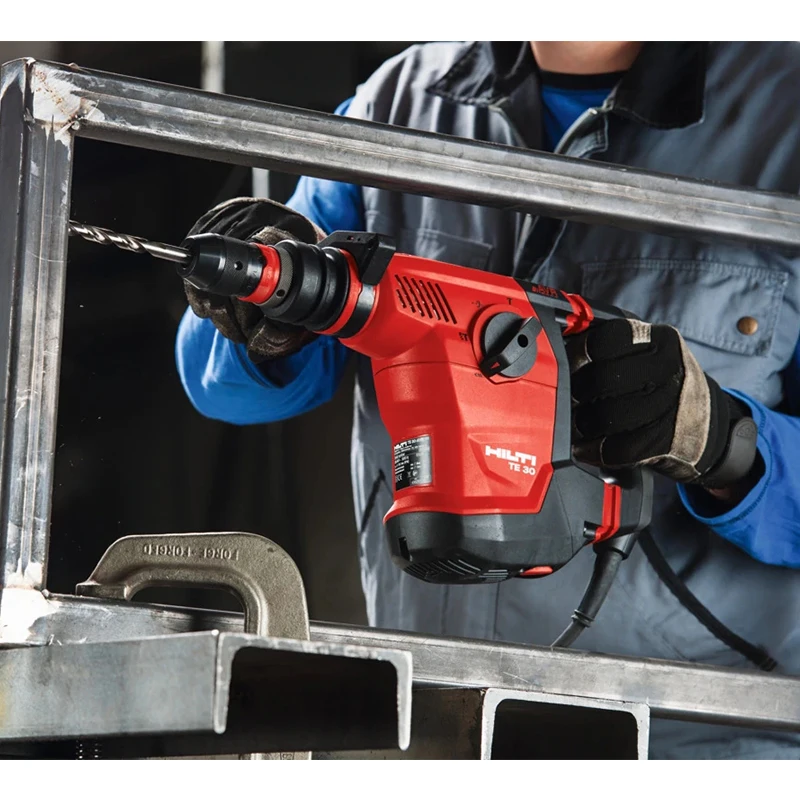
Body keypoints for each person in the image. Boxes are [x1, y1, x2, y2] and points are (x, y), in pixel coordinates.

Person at [175, 42, 800, 759]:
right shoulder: (398, 103)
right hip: (432, 720)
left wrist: (724, 441)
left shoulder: (784, 114)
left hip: (697, 739)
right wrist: (258, 305)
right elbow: (223, 388)